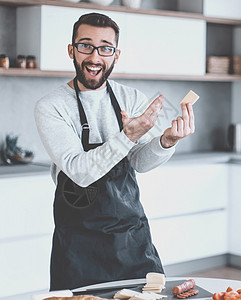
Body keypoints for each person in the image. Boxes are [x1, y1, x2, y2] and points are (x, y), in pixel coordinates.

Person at [35, 12, 195, 291]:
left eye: (105, 48)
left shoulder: (131, 98)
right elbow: (80, 172)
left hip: (131, 240)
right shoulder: (51, 107)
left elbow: (139, 163)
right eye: (86, 45)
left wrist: (166, 141)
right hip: (77, 248)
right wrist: (128, 134)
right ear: (71, 50)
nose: (95, 57)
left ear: (116, 55)